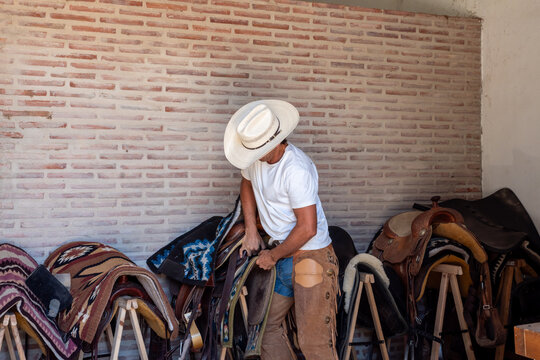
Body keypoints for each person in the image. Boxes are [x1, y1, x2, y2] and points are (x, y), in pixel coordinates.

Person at [223, 100, 339, 360]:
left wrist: (273, 256)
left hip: (310, 257)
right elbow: (246, 183)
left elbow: (308, 228)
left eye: (260, 148)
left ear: (276, 140)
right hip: (281, 255)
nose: (255, 155)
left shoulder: (296, 169)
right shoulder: (256, 158)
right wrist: (252, 230)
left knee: (314, 343)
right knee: (264, 332)